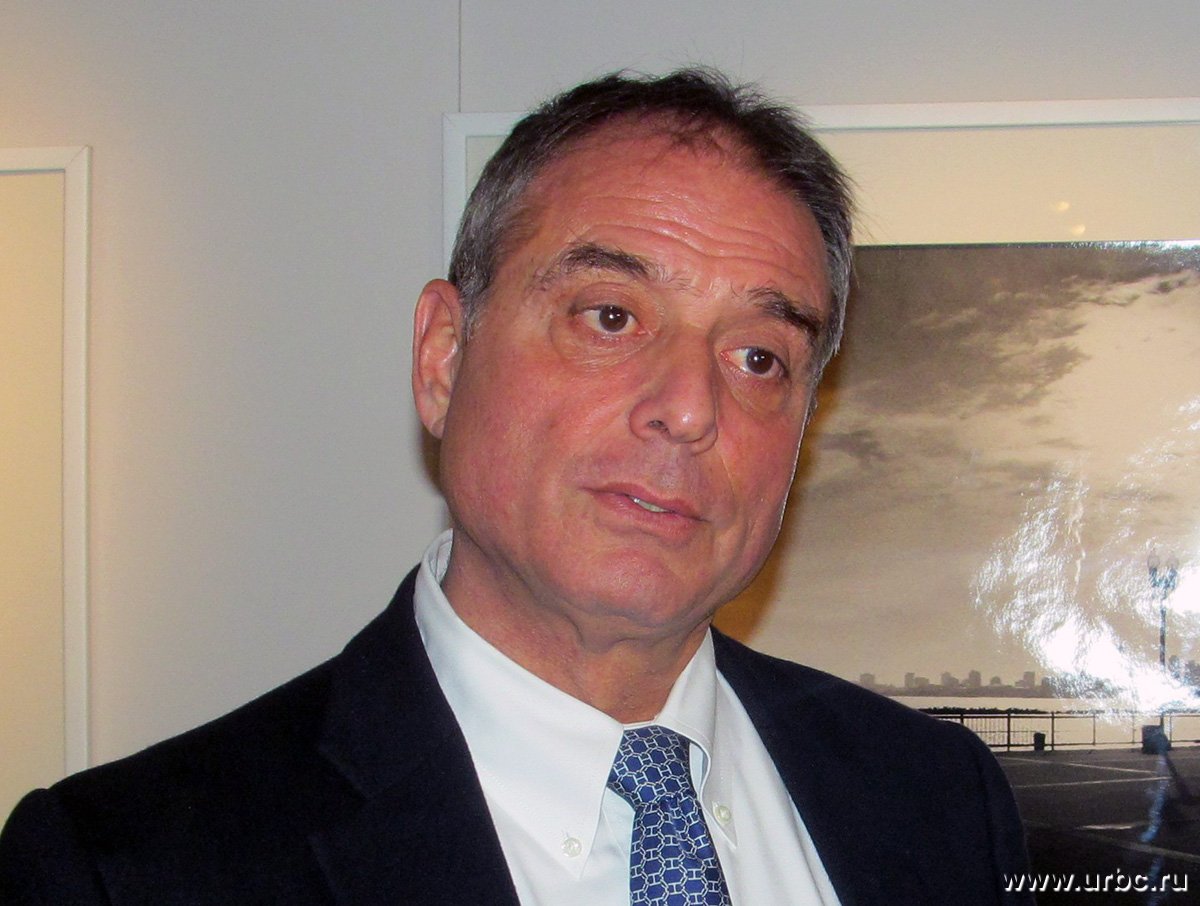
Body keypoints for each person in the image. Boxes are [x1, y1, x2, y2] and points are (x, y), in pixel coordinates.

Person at [0, 68, 1032, 904]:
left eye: (759, 357)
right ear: (444, 358)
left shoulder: (936, 800)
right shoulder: (127, 868)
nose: (689, 408)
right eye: (611, 317)